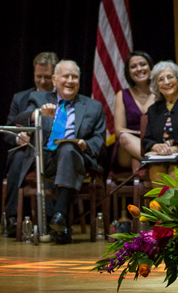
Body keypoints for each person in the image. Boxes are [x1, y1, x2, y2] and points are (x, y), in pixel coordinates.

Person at [7, 59, 106, 244]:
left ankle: (60, 213)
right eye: (65, 76)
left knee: (68, 149)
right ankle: (61, 221)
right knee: (65, 151)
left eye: (74, 77)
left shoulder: (94, 106)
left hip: (78, 157)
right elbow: (17, 120)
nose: (70, 81)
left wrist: (86, 144)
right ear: (54, 80)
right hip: (45, 158)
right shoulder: (39, 99)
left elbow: (99, 140)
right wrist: (37, 114)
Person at [2, 51, 58, 237]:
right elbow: (8, 130)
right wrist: (18, 138)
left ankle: (51, 218)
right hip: (25, 149)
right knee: (18, 156)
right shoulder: (20, 98)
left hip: (51, 150)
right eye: (38, 76)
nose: (42, 81)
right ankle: (12, 217)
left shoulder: (62, 96)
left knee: (47, 156)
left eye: (47, 77)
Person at [113, 51, 156, 173]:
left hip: (155, 143)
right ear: (128, 72)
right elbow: (118, 130)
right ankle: (157, 160)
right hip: (127, 146)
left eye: (143, 64)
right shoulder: (122, 95)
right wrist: (141, 133)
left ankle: (149, 161)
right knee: (124, 137)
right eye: (133, 67)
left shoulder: (160, 94)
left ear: (150, 67)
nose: (139, 69)